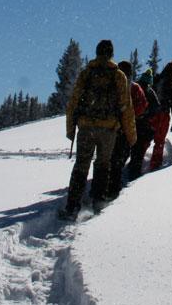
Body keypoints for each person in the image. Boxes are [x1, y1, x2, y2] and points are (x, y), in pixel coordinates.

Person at [60, 40, 136, 220]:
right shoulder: (118, 76)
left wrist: (71, 129)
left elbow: (73, 103)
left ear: (97, 52)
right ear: (111, 54)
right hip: (108, 129)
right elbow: (126, 107)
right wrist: (131, 136)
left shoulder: (86, 74)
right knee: (103, 164)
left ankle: (72, 207)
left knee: (81, 166)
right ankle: (98, 204)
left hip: (86, 127)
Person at [107, 61, 147, 198]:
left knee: (109, 159)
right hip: (125, 127)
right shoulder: (134, 87)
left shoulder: (110, 84)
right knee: (119, 158)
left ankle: (101, 190)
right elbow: (143, 105)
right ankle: (113, 190)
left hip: (109, 127)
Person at [127, 68, 161, 180]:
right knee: (139, 149)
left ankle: (123, 172)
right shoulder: (150, 91)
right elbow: (156, 107)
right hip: (143, 124)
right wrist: (148, 115)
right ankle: (134, 173)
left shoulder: (133, 87)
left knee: (129, 147)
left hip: (129, 122)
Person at [151, 61, 172, 169]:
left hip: (152, 112)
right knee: (160, 140)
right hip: (164, 113)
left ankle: (136, 163)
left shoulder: (157, 78)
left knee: (146, 138)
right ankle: (155, 164)